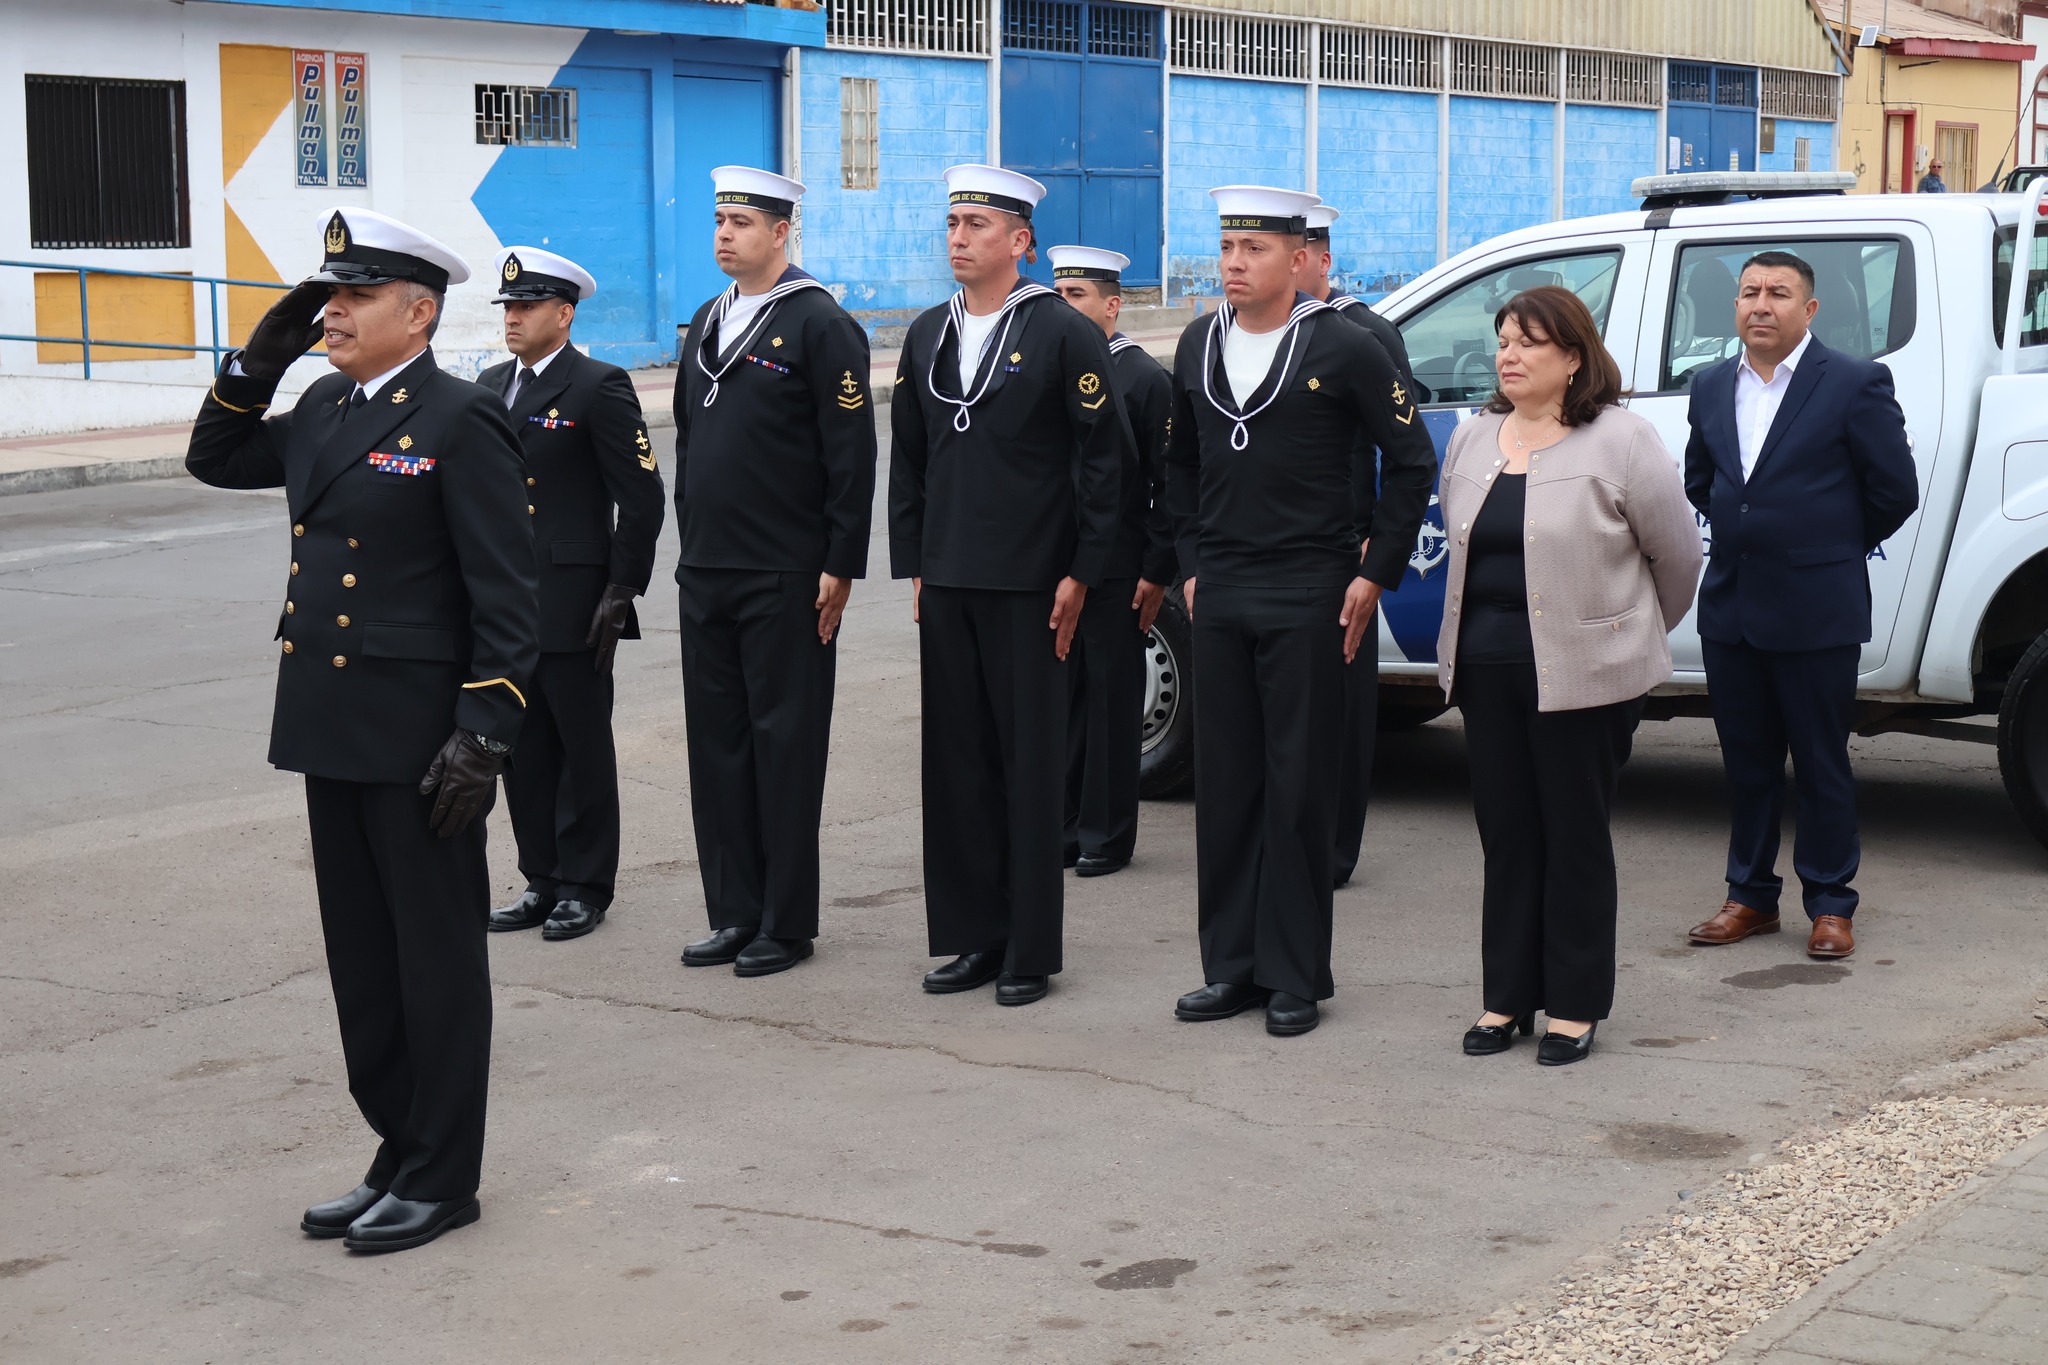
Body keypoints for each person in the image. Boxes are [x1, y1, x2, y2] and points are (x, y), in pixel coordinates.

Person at [186, 207, 538, 1252]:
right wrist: (262, 356)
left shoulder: (461, 418)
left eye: (355, 294)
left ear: (418, 312)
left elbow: (507, 593)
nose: (333, 311)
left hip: (421, 740)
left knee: (434, 963)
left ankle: (445, 1176)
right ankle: (399, 1147)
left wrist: (485, 733)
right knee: (364, 963)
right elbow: (216, 455)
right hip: (329, 725)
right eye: (328, 295)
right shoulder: (329, 404)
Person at [1167, 186, 1436, 1037]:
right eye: (1227, 247)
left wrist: (1375, 572)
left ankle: (1293, 974)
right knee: (1227, 785)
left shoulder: (1346, 345)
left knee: (1297, 786)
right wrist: (1190, 566)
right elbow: (1179, 463)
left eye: (1253, 249)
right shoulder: (1197, 343)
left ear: (1297, 258)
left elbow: (1412, 460)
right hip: (1223, 587)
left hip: (1311, 586)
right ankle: (1231, 966)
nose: (1234, 263)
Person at [1438, 286, 1701, 1067]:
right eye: (1503, 341)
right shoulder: (1473, 437)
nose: (1509, 355)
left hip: (1587, 675)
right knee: (1508, 836)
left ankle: (1575, 1004)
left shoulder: (1621, 440)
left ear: (1574, 358)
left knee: (1574, 835)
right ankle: (1507, 997)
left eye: (1530, 342)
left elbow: (1677, 557)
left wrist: (1625, 637)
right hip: (1487, 671)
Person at [889, 165, 1129, 1006]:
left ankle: (1028, 947)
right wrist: (917, 563)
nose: (958, 238)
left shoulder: (1062, 330)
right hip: (951, 577)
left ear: (1020, 241)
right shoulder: (929, 332)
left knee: (1028, 767)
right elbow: (910, 456)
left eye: (978, 225)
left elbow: (1103, 462)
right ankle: (972, 936)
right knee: (957, 767)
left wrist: (1082, 571)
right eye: (953, 224)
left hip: (1032, 584)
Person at [1683, 251, 1918, 961]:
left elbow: (1894, 490)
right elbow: (1702, 481)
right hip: (1733, 606)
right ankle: (1750, 896)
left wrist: (1829, 546)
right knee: (1747, 762)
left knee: (1820, 760)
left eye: (1779, 293)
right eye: (1750, 291)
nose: (1761, 304)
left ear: (1809, 309)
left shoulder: (1852, 382)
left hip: (1817, 606)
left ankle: (1831, 902)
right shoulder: (1710, 384)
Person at [672, 167, 877, 977]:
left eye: (743, 223)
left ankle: (785, 922)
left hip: (785, 571)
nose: (725, 235)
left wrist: (840, 560)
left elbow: (850, 452)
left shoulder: (819, 322)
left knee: (783, 746)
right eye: (719, 221)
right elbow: (690, 437)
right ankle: (734, 910)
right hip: (708, 567)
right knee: (717, 747)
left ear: (782, 231)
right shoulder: (706, 320)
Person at [481, 247, 664, 944]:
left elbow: (640, 496)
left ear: (564, 314)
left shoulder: (598, 385)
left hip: (573, 599)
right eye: (508, 306)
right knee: (521, 748)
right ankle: (541, 877)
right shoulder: (492, 384)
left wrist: (622, 588)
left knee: (579, 748)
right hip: (504, 601)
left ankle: (585, 885)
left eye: (527, 306)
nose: (513, 317)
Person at [1299, 200, 1423, 890]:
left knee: (1342, 708)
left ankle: (1334, 850)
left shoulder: (1365, 333)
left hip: (1347, 542)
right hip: (1280, 547)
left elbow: (1398, 444)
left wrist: (1377, 539)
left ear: (1321, 259)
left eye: (1299, 254)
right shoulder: (1251, 332)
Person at [1047, 244, 1175, 878]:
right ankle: (1064, 826)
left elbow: (1168, 484)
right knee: (1061, 701)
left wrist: (1156, 569)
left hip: (1119, 564)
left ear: (1112, 306)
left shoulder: (1143, 379)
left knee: (1109, 702)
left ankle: (1107, 834)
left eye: (1077, 296)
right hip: (1053, 561)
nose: (1064, 306)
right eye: (1058, 294)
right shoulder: (1050, 365)